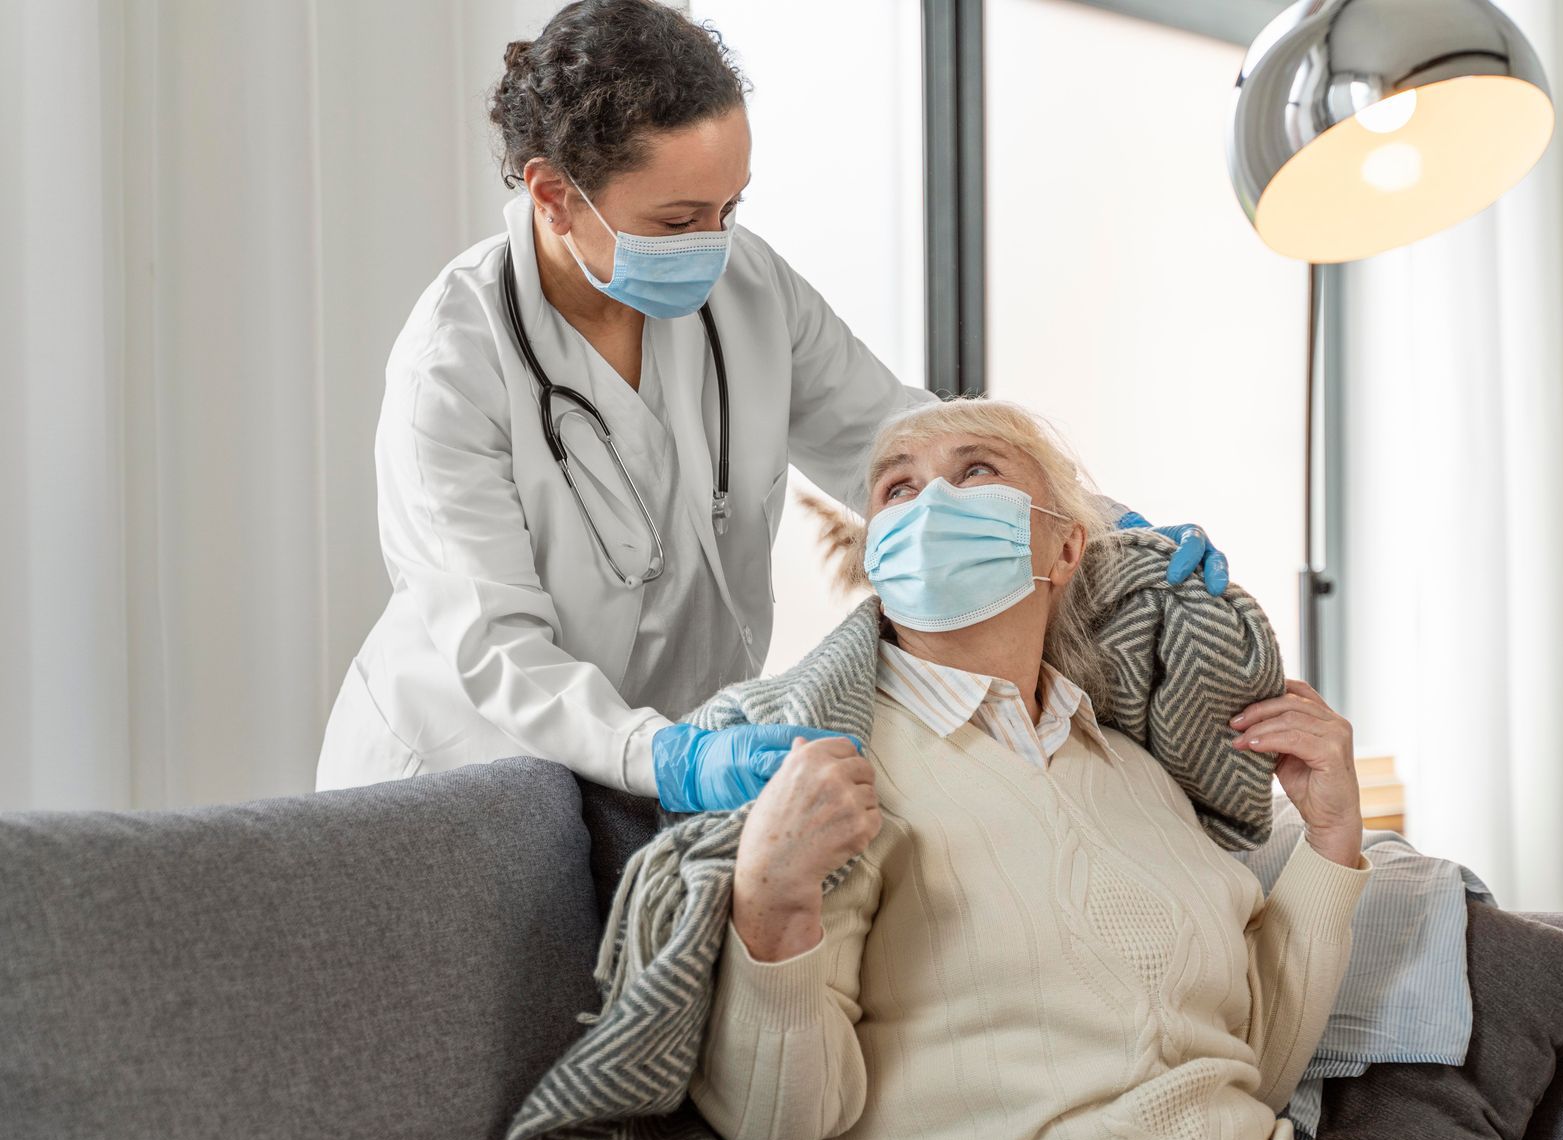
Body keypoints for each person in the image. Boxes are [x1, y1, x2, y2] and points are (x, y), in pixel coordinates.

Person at [685, 399, 1563, 1140]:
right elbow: (776, 1125)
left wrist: (1331, 838)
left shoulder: (1136, 769)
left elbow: (1258, 1063)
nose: (929, 505)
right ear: (876, 549)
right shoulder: (828, 768)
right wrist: (771, 901)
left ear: (1065, 546)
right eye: (896, 489)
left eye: (976, 473)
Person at [315, 0, 1224, 810]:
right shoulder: (455, 364)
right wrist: (663, 756)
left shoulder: (744, 286)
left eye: (730, 207)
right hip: (463, 776)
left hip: (671, 763)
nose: (713, 247)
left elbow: (895, 443)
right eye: (677, 222)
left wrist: (1096, 526)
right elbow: (497, 647)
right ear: (555, 195)